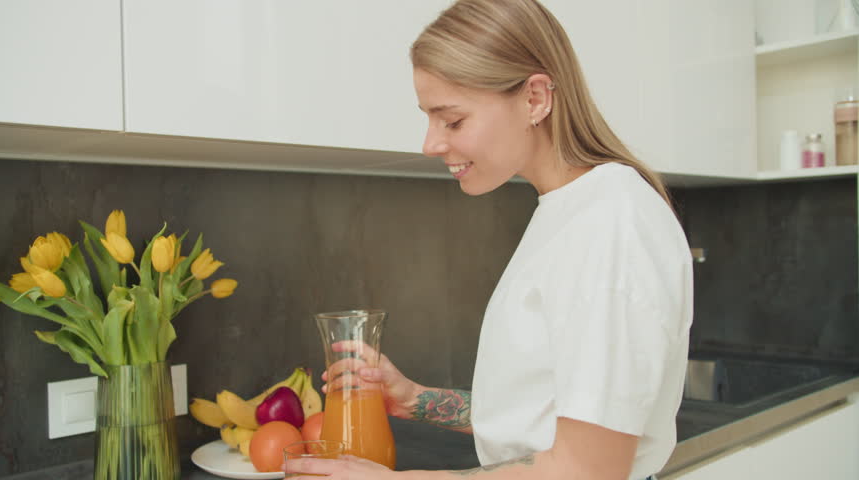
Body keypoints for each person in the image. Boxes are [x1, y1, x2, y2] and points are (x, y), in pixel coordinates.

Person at [289, 0, 692, 478]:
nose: (430, 144)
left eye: (452, 120)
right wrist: (417, 400)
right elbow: (542, 422)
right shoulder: (572, 210)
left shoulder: (610, 223)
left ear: (535, 99)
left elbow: (587, 469)